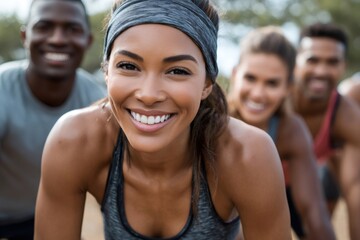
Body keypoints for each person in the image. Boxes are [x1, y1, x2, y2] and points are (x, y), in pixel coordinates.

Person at [34, 0, 291, 239]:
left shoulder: (247, 154)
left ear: (206, 83)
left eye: (177, 71)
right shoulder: (73, 142)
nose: (148, 95)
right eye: (128, 66)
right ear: (107, 71)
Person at [0, 0, 106, 239]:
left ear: (88, 41)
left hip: (37, 216)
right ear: (25, 36)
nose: (58, 39)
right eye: (45, 26)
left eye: (72, 29)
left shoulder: (96, 99)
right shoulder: (3, 89)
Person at [227, 26, 335, 240]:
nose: (258, 94)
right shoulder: (211, 120)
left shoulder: (290, 130)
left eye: (272, 83)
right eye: (250, 78)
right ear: (235, 74)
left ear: (288, 87)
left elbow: (313, 211)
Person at [292, 22, 360, 240]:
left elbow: (355, 190)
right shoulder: (273, 100)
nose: (321, 71)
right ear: (295, 62)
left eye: (332, 62)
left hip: (306, 187)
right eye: (313, 60)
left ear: (343, 66)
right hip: (257, 184)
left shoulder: (346, 116)